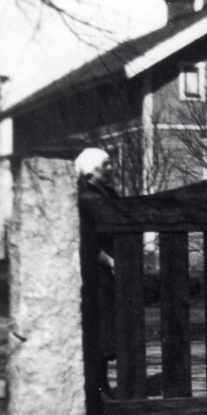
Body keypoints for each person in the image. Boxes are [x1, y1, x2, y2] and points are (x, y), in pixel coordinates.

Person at [75, 147, 119, 397]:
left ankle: (104, 385)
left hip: (113, 268)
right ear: (92, 169)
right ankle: (99, 386)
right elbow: (87, 240)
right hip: (96, 271)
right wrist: (110, 261)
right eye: (106, 163)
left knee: (112, 327)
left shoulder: (109, 193)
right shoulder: (85, 196)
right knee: (99, 329)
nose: (112, 168)